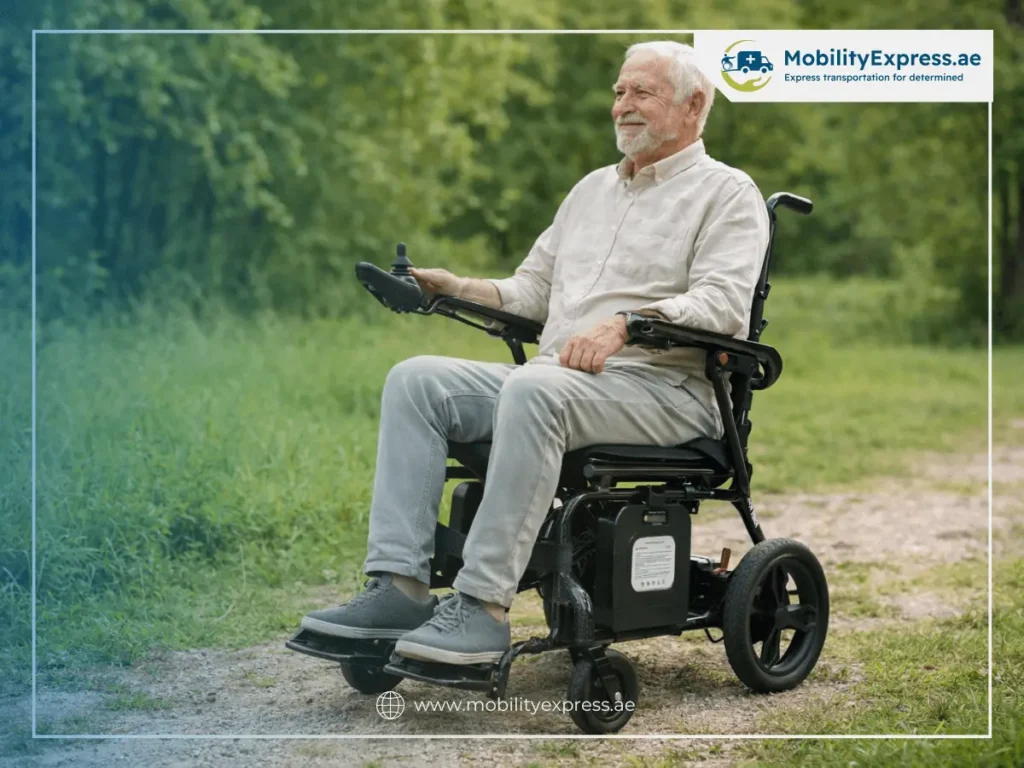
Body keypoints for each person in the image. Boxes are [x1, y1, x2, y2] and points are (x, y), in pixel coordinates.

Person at [299, 40, 770, 666]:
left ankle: (482, 608)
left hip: (667, 391)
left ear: (693, 105)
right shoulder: (591, 191)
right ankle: (399, 589)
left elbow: (723, 304)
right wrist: (453, 288)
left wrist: (627, 325)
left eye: (641, 92)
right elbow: (532, 292)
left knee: (533, 389)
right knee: (416, 381)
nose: (622, 106)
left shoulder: (727, 193)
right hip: (563, 379)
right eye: (619, 92)